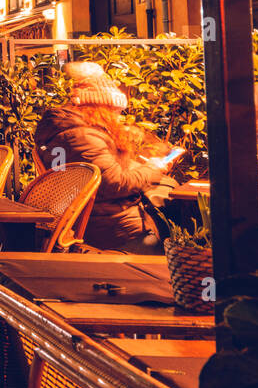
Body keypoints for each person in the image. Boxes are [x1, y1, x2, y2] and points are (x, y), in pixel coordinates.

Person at [33, 61, 177, 253]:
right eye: (116, 111)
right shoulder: (83, 136)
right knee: (176, 236)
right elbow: (115, 183)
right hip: (111, 230)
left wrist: (140, 165)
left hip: (93, 217)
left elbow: (100, 171)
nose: (119, 117)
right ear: (101, 109)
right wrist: (152, 170)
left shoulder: (72, 132)